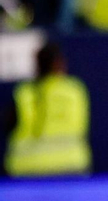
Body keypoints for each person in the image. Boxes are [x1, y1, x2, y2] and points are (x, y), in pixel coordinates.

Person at [4, 41, 90, 177]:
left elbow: (9, 125)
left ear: (37, 65)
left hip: (26, 168)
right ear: (58, 64)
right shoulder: (74, 90)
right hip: (69, 165)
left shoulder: (23, 93)